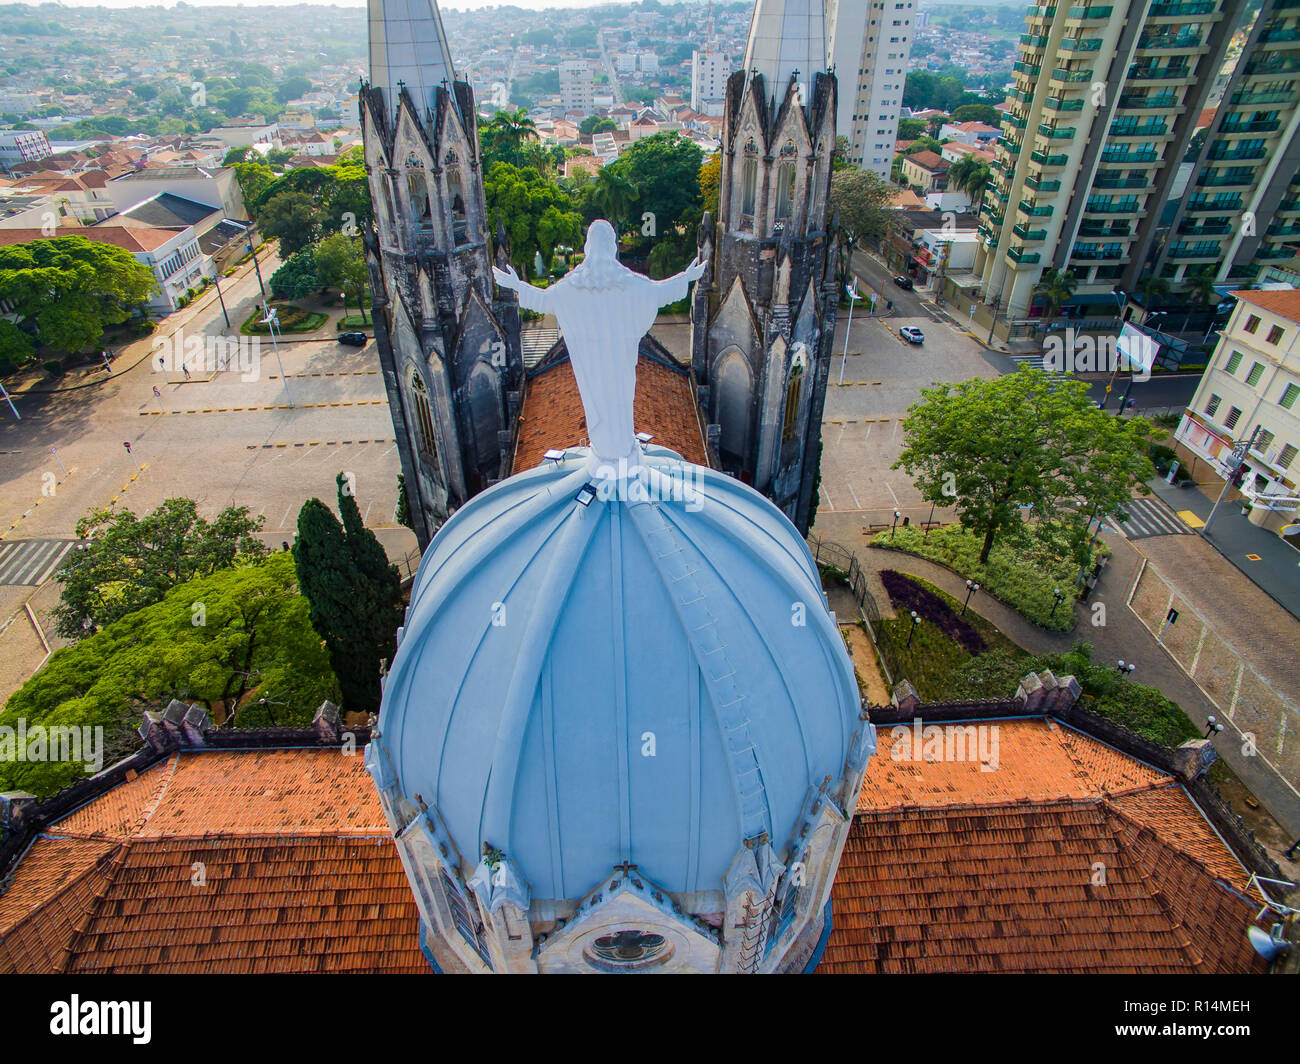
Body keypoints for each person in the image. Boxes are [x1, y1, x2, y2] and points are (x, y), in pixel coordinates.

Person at [493, 219, 704, 469]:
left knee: (600, 404)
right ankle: (617, 449)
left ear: (589, 247)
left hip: (592, 367)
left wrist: (517, 286)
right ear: (612, 247)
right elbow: (657, 293)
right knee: (620, 401)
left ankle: (612, 450)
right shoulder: (627, 282)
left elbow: (544, 300)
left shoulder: (574, 285)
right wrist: (685, 279)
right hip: (620, 364)